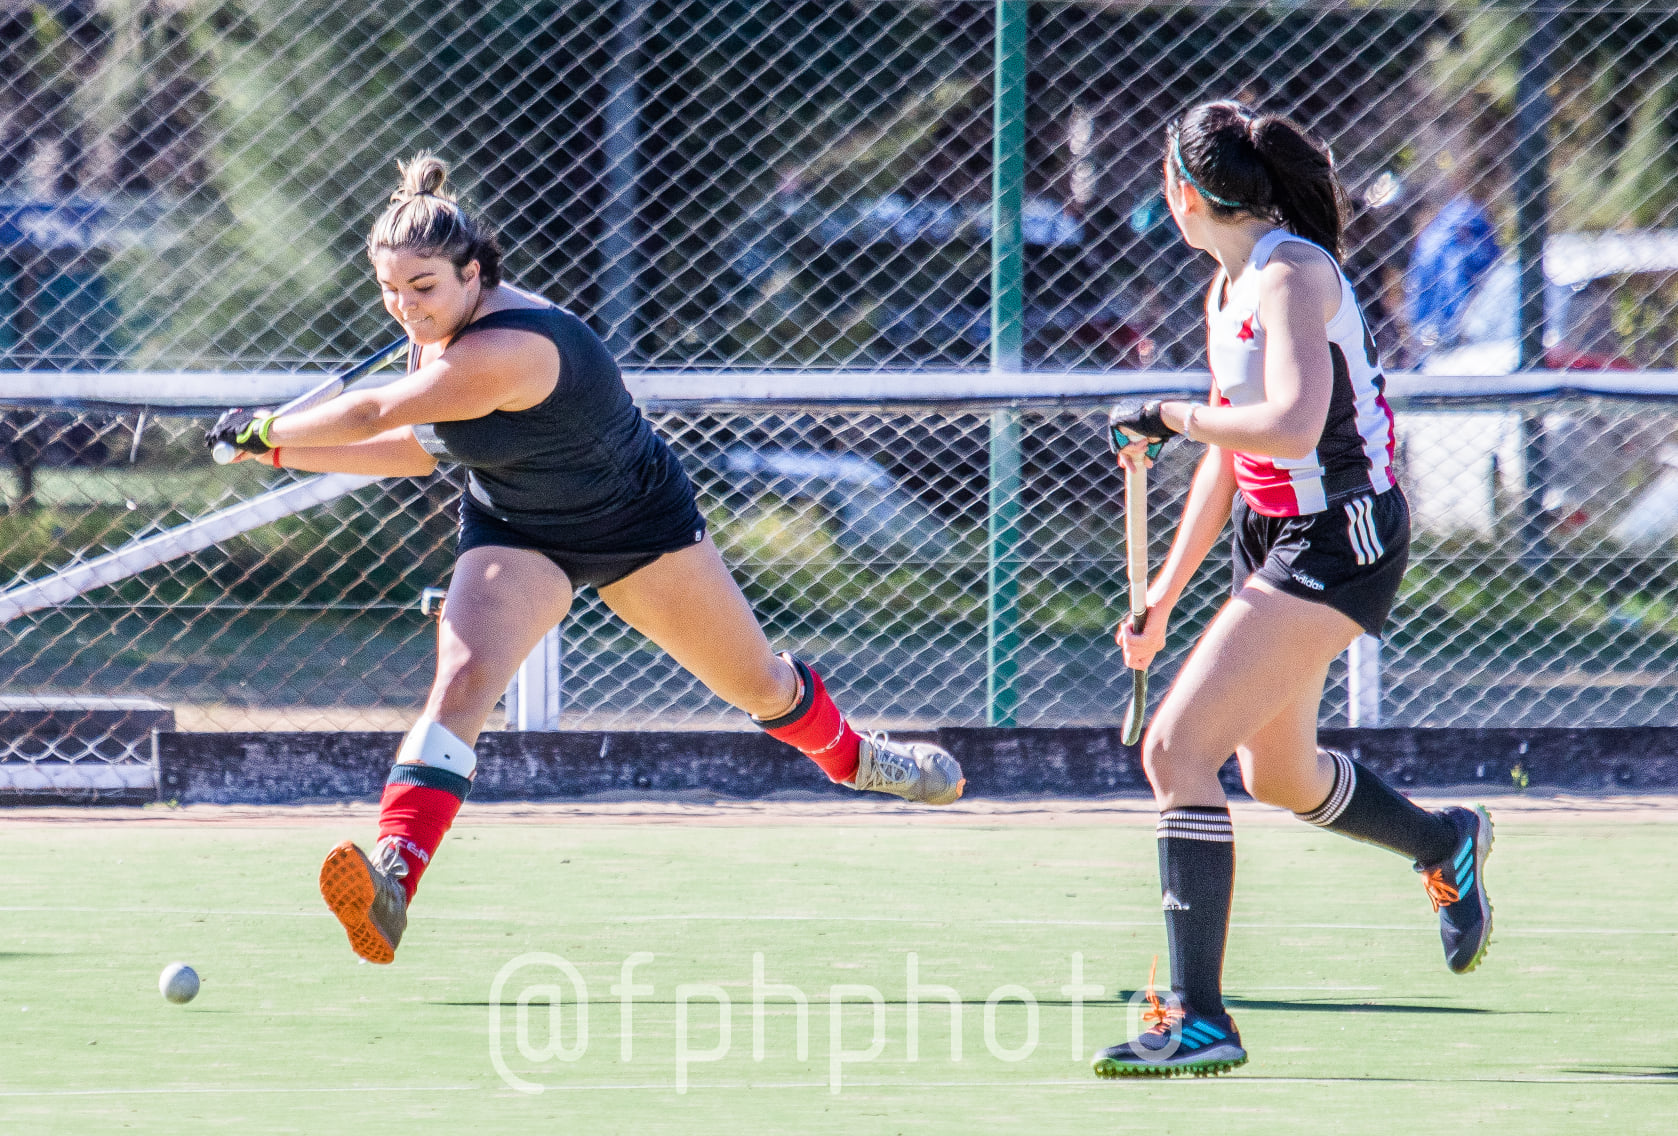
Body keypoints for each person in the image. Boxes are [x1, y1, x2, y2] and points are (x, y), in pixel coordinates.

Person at [205, 153, 964, 965]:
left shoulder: (508, 349)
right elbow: (418, 451)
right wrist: (279, 457)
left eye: (423, 288)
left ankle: (856, 760)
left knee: (761, 688)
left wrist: (268, 429)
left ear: (474, 272)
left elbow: (372, 414)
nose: (405, 309)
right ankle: (393, 876)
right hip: (518, 529)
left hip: (639, 530)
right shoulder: (434, 341)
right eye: (391, 291)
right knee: (460, 684)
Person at [1090, 103, 1493, 1078]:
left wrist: (1170, 412)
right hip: (1273, 531)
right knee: (1277, 774)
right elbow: (1231, 457)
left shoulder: (1290, 274)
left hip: (1339, 533)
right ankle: (1443, 840)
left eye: (1160, 178)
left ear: (1187, 194)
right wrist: (1160, 591)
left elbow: (1291, 422)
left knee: (1175, 749)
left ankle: (1198, 1016)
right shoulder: (1227, 283)